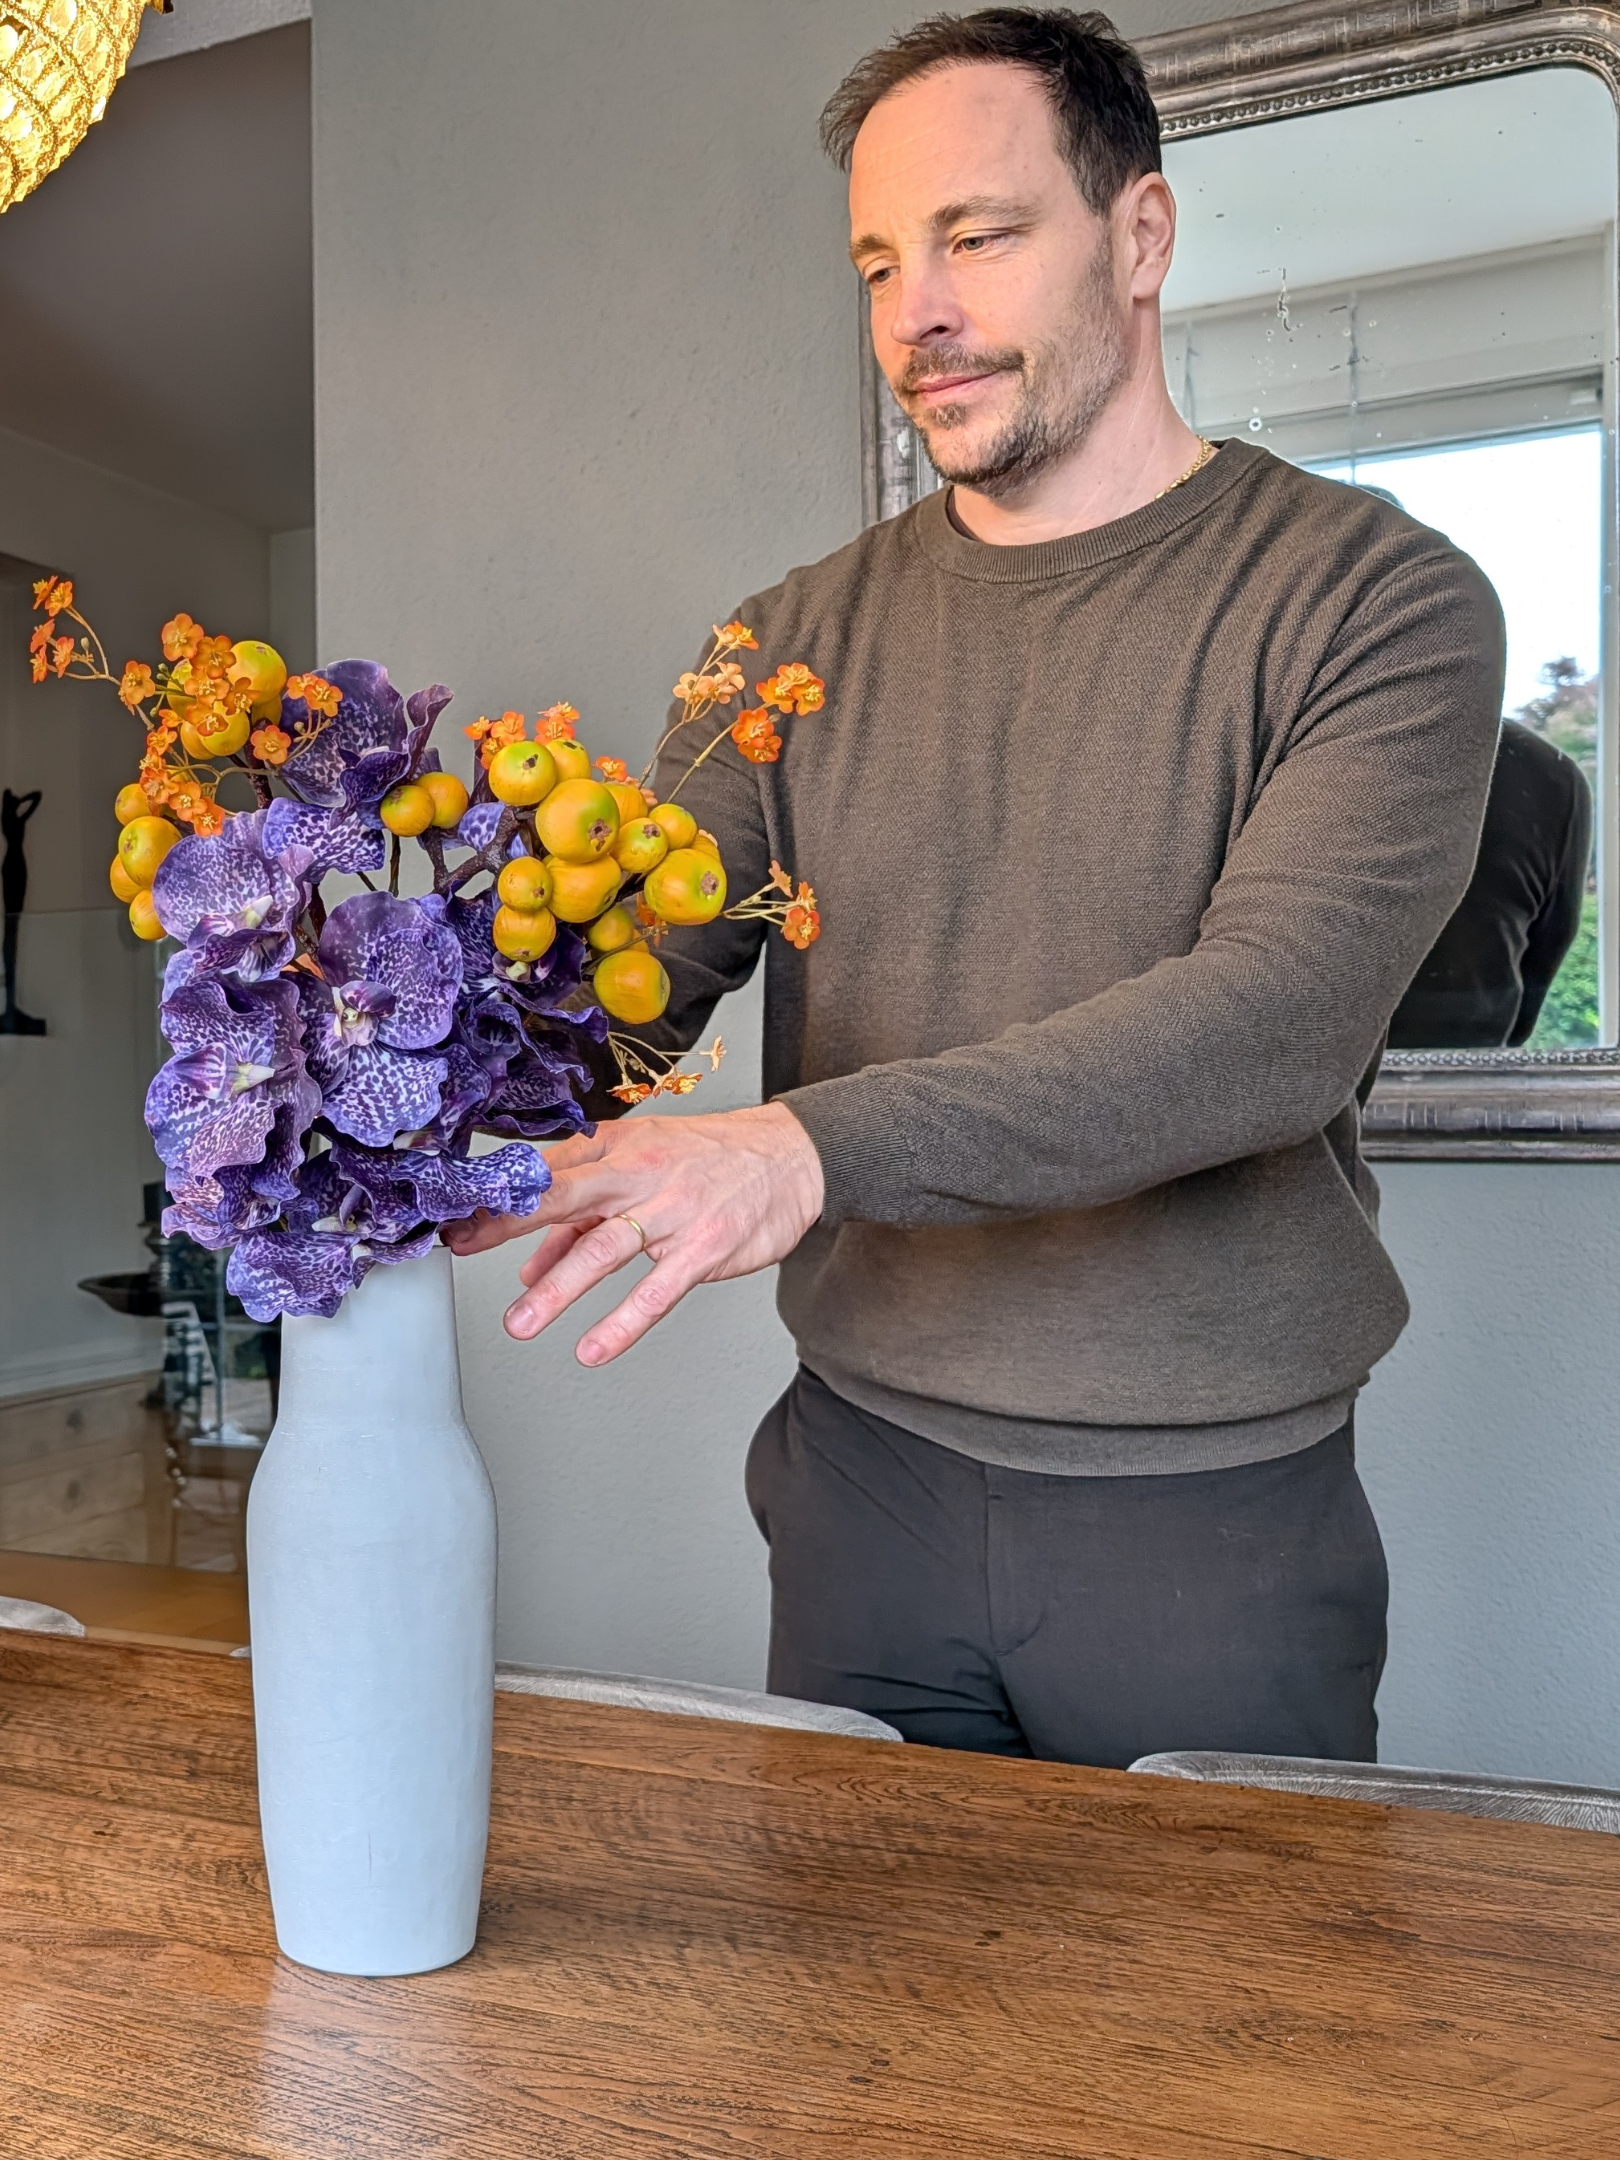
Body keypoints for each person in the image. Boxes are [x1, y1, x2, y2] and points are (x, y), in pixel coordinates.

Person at [447, 8, 1505, 1767]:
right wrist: (361, 1015)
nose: (913, 314)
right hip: (860, 1480)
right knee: (850, 1954)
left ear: (1140, 236)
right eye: (879, 262)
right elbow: (624, 992)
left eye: (978, 238)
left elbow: (1275, 1026)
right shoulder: (780, 643)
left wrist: (802, 1149)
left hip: (1209, 1511)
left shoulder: (1377, 602)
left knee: (1209, 1963)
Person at [1388, 718, 1592, 1049]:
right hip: (1469, 1061)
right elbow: (1544, 959)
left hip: (1318, 1062)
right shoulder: (1551, 775)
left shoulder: (1552, 775)